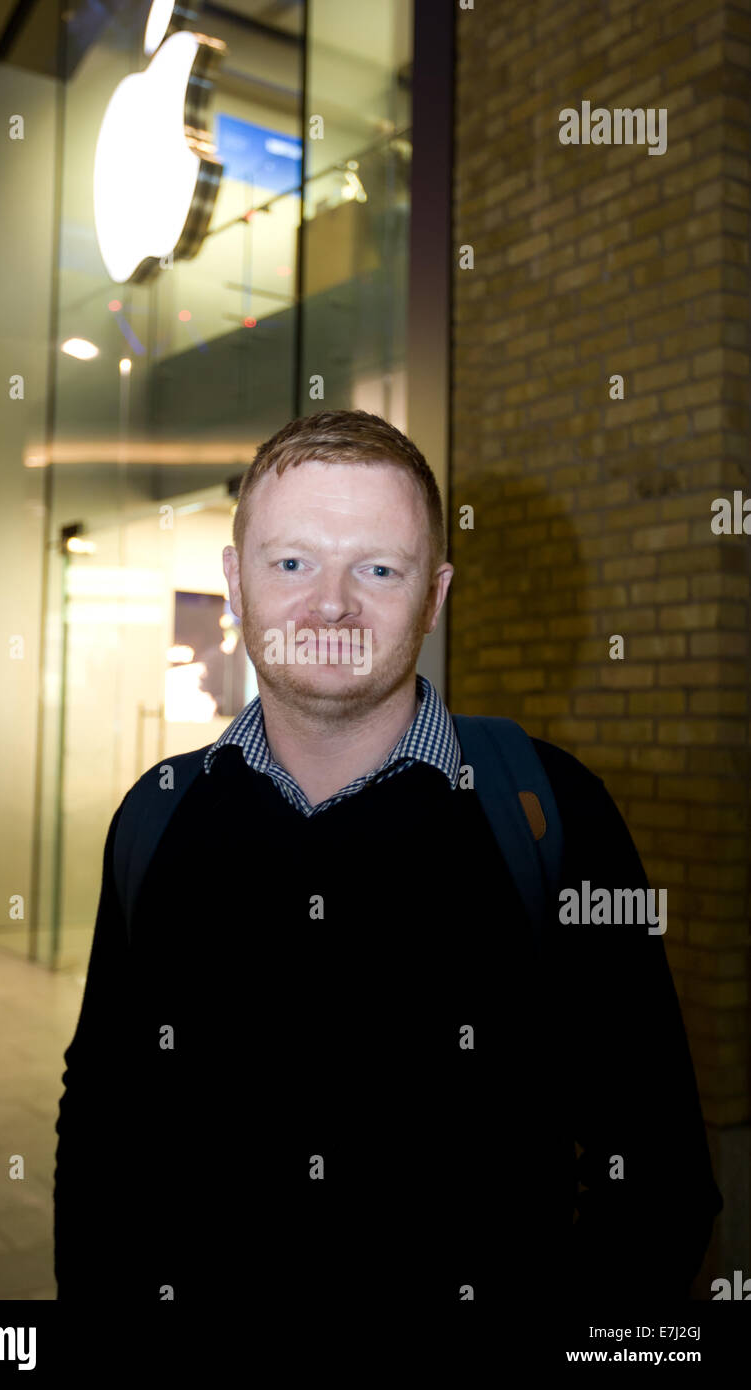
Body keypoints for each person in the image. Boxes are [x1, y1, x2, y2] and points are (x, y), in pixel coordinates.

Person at [53, 408, 722, 1314]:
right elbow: (103, 1115)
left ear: (435, 596)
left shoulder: (549, 813)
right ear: (236, 582)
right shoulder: (157, 816)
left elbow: (657, 1169)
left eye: (378, 567)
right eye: (292, 562)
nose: (331, 603)